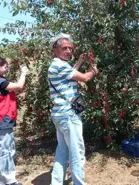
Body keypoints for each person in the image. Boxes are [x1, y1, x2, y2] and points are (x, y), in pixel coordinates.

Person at [48, 33, 99, 185]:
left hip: (59, 114)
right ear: (55, 49)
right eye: (64, 48)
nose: (69, 50)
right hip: (68, 115)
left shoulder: (58, 65)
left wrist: (79, 61)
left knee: (62, 151)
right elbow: (84, 78)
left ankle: (56, 182)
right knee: (77, 152)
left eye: (71, 48)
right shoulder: (60, 65)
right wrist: (93, 71)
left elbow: (70, 75)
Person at [0, 56, 28, 185]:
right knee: (6, 149)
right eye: (5, 66)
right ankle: (8, 180)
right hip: (3, 119)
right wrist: (23, 73)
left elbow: (0, 95)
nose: (7, 68)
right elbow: (19, 85)